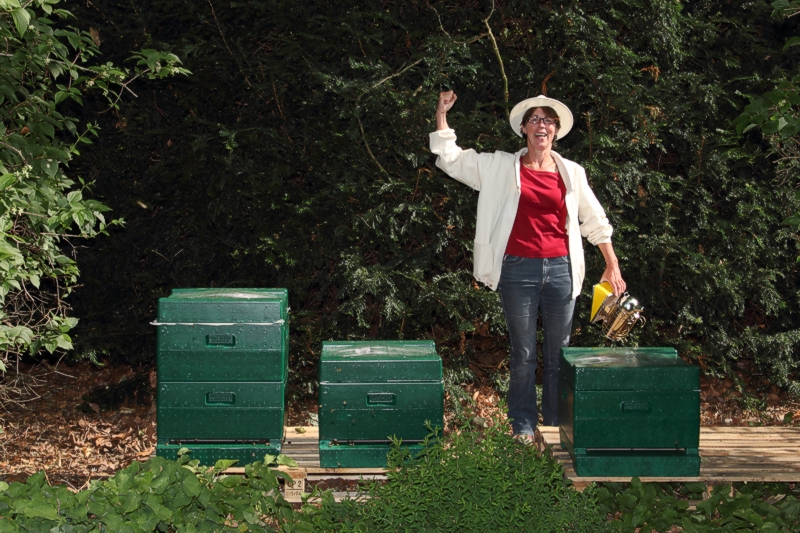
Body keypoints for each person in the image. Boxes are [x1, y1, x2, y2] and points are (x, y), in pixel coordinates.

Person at [429, 91, 626, 443]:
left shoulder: (572, 173)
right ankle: (522, 424)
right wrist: (442, 116)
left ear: (556, 130)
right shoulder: (500, 166)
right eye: (534, 119)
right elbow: (452, 160)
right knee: (523, 352)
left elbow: (594, 219)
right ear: (523, 128)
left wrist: (612, 264)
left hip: (562, 271)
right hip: (517, 271)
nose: (541, 126)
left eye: (548, 120)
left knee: (559, 352)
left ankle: (554, 423)